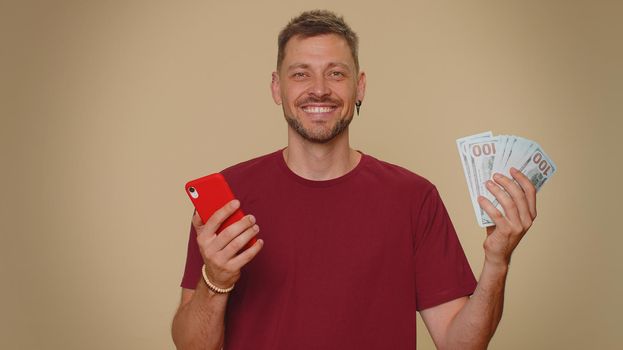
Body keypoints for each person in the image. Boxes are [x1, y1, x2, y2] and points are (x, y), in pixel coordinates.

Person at [171, 10, 538, 350]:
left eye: (336, 73)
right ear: (276, 87)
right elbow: (191, 346)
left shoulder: (414, 197)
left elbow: (461, 345)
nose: (319, 89)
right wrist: (215, 279)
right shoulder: (228, 198)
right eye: (300, 73)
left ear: (359, 87)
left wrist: (497, 261)